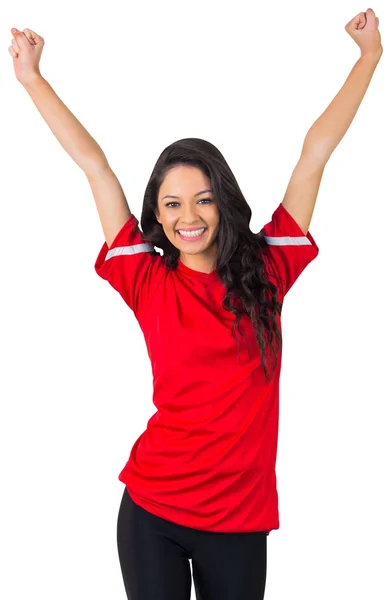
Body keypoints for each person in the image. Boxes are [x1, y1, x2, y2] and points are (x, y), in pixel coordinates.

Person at [8, 9, 382, 600]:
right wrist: (32, 79)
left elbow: (315, 154)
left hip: (238, 522)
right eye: (173, 203)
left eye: (203, 200)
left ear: (222, 202)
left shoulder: (268, 270)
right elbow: (94, 164)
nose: (189, 217)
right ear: (156, 213)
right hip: (152, 511)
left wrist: (367, 60)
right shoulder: (144, 278)